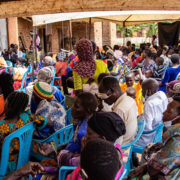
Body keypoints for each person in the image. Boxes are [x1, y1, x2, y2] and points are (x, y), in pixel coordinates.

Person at [128, 96, 180, 180]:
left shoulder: (177, 135)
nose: (163, 113)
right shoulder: (173, 133)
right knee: (149, 147)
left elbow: (156, 168)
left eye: (168, 112)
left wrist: (144, 167)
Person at [67, 112, 126, 180]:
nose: (85, 136)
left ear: (103, 139)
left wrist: (84, 153)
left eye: (89, 133)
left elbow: (78, 175)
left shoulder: (96, 164)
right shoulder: (116, 152)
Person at [0, 92, 46, 174]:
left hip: (5, 169)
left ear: (7, 105)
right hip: (23, 162)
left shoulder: (1, 126)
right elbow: (46, 121)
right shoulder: (28, 117)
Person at [98, 76, 138, 163]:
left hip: (121, 151)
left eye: (103, 96)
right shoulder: (129, 99)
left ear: (111, 91)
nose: (103, 100)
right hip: (129, 142)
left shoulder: (119, 110)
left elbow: (116, 141)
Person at [57, 92, 98, 167]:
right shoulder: (82, 120)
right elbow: (75, 141)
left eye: (76, 106)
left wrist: (63, 152)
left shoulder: (83, 133)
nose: (72, 108)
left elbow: (79, 159)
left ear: (87, 110)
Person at [135, 78, 168, 147]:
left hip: (148, 138)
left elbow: (147, 127)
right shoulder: (162, 95)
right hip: (158, 131)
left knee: (128, 135)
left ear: (149, 91)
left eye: (143, 90)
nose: (142, 92)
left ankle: (132, 155)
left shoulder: (149, 104)